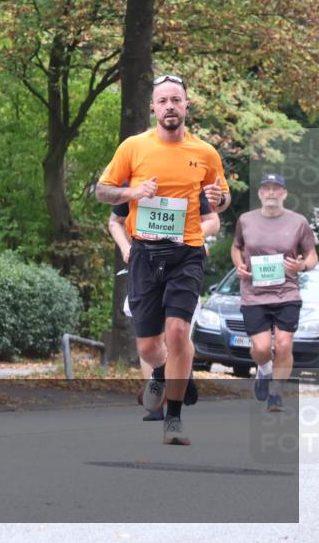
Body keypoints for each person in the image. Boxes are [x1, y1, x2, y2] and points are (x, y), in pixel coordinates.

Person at [96, 74, 230, 445]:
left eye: (177, 100)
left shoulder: (205, 152)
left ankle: (173, 420)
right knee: (150, 348)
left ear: (187, 105)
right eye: (163, 101)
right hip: (143, 253)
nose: (170, 106)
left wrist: (220, 201)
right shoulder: (133, 147)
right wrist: (132, 190)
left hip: (186, 253)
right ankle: (171, 374)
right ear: (153, 107)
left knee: (176, 331)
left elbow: (221, 198)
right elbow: (103, 192)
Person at [109, 189, 218, 421]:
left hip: (183, 266)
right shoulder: (134, 181)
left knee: (177, 333)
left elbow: (212, 220)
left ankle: (172, 406)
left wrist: (193, 237)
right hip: (145, 267)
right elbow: (114, 222)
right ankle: (164, 385)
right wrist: (125, 247)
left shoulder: (186, 177)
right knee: (149, 344)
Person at [231, 173, 318, 412]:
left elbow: (311, 254)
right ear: (259, 193)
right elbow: (236, 247)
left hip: (287, 292)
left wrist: (301, 266)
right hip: (254, 293)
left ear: (284, 194)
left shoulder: (298, 222)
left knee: (283, 345)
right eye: (266, 188)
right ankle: (265, 371)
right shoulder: (246, 220)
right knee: (260, 348)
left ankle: (276, 393)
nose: (271, 192)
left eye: (276, 188)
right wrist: (239, 265)